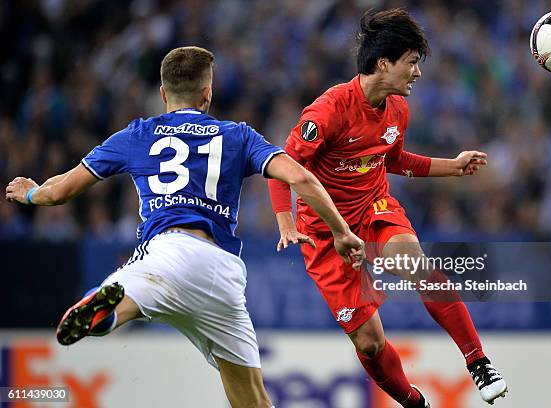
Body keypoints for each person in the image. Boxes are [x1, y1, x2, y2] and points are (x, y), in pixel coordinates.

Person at [5, 46, 365, 408]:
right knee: (253, 400)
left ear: (163, 93)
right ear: (208, 92)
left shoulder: (137, 134)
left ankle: (109, 311)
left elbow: (60, 192)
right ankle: (110, 307)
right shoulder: (238, 135)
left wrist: (32, 193)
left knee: (134, 285)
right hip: (222, 272)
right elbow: (301, 178)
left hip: (167, 253)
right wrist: (341, 231)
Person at [268, 9, 508, 407]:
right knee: (370, 345)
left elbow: (390, 159)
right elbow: (281, 167)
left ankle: (478, 361)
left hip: (374, 209)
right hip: (325, 231)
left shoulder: (397, 109)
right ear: (384, 63)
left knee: (420, 268)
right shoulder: (328, 110)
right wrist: (285, 218)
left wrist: (452, 165)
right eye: (412, 62)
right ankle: (414, 403)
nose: (417, 73)